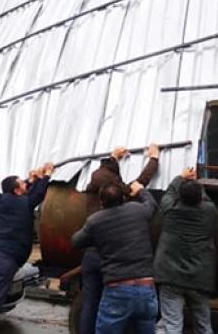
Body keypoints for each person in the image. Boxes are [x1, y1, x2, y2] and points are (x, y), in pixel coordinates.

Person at [79, 143, 160, 334]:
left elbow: (108, 176)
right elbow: (137, 186)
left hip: (92, 255)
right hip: (110, 259)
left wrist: (113, 157)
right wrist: (153, 160)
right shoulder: (122, 201)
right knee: (115, 303)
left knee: (90, 304)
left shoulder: (96, 187)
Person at [0, 163, 53, 334]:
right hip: (4, 258)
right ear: (17, 190)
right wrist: (45, 176)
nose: (25, 185)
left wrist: (32, 179)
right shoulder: (23, 203)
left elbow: (22, 193)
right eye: (22, 184)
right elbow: (37, 195)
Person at [154, 167, 218, 334]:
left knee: (171, 325)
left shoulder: (170, 210)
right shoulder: (209, 212)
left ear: (180, 197)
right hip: (199, 278)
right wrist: (196, 182)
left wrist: (180, 177)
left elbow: (168, 194)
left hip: (170, 276)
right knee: (204, 325)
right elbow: (205, 199)